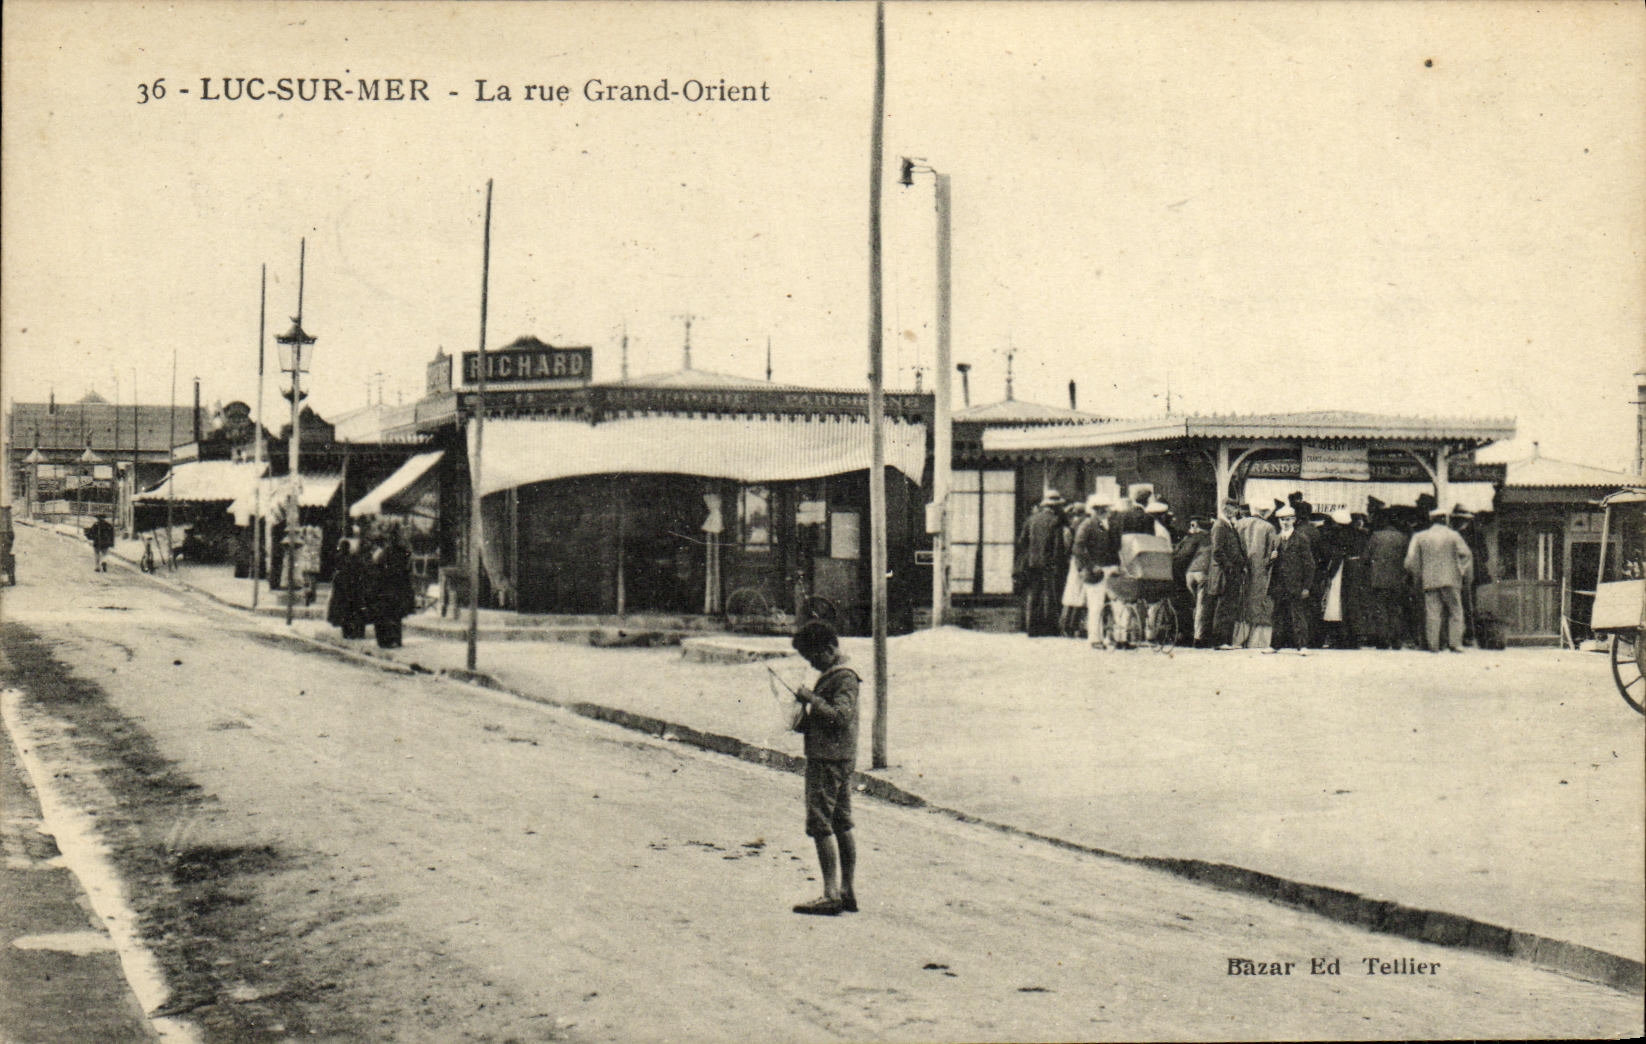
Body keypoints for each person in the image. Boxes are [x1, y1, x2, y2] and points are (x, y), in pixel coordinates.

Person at [789, 620, 860, 916]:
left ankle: (831, 894)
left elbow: (840, 716)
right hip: (840, 758)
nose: (812, 664)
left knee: (821, 823)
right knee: (842, 822)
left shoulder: (843, 677)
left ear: (830, 649)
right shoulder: (841, 674)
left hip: (826, 759)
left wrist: (811, 699)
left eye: (814, 656)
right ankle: (846, 891)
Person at [1405, 507, 1474, 652]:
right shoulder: (1454, 535)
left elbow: (1410, 560)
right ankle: (1455, 644)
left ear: (1431, 520)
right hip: (1451, 579)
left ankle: (1433, 645)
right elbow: (1466, 554)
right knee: (1455, 611)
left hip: (1429, 580)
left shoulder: (1420, 536)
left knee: (1432, 612)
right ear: (1446, 519)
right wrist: (1460, 571)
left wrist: (1419, 575)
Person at [1015, 490, 1069, 637]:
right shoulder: (1055, 521)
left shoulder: (1031, 520)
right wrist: (1058, 562)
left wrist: (1032, 552)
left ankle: (1032, 628)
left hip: (1033, 563)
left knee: (1034, 594)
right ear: (1055, 506)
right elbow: (1058, 545)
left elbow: (1022, 542)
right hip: (1050, 563)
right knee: (1051, 594)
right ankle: (1050, 628)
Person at [1074, 494, 1119, 648]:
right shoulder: (1087, 525)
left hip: (1109, 569)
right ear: (1100, 510)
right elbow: (1079, 549)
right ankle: (1094, 638)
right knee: (1096, 606)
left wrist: (1116, 564)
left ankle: (1113, 636)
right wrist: (1090, 566)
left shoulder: (1108, 525)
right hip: (1094, 572)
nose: (1109, 511)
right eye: (1107, 509)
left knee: (1114, 605)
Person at [1268, 506, 1315, 651]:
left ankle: (1303, 645)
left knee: (1298, 615)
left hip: (1295, 584)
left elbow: (1309, 564)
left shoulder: (1301, 538)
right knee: (1277, 615)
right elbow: (1268, 564)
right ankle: (1274, 645)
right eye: (1282, 520)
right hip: (1279, 584)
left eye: (1288, 519)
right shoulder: (1276, 538)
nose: (1285, 522)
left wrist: (1306, 586)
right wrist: (1271, 559)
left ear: (1294, 520)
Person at [1233, 504, 1277, 648]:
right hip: (1260, 571)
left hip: (1241, 569)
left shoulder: (1238, 524)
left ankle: (1237, 639)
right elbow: (1271, 553)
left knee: (1240, 604)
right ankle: (1255, 641)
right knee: (1259, 605)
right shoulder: (1269, 527)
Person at [1364, 509, 1410, 649]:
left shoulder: (1376, 536)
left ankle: (1383, 639)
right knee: (1395, 608)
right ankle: (1396, 639)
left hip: (1378, 579)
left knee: (1380, 609)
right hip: (1397, 579)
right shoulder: (1403, 537)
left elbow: (1366, 557)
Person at [1205, 500, 1246, 648]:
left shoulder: (1228, 525)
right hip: (1225, 574)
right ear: (1225, 509)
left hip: (1231, 572)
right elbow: (1217, 551)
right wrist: (1230, 567)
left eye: (1235, 508)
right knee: (1223, 606)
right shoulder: (1220, 526)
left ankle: (1226, 640)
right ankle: (1220, 640)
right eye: (1232, 508)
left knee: (1228, 606)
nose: (1235, 511)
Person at [368, 529, 417, 649]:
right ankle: (396, 639)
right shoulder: (404, 552)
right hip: (398, 588)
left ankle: (385, 641)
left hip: (385, 588)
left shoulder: (383, 553)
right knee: (396, 615)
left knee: (384, 615)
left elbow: (376, 569)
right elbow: (407, 569)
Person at [1175, 517, 1213, 646]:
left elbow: (1181, 554)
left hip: (1189, 573)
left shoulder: (1190, 538)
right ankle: (1198, 638)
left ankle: (1190, 634)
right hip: (1203, 572)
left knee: (1194, 605)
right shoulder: (1208, 537)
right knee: (1202, 606)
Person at [1058, 500, 1089, 638]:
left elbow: (1067, 546)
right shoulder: (1085, 523)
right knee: (1080, 595)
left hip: (1073, 561)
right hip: (1082, 561)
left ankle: (1066, 625)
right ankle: (1075, 626)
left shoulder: (1071, 526)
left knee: (1071, 594)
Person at [327, 538, 369, 639]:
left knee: (347, 611)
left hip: (347, 589)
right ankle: (352, 632)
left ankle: (349, 632)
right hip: (348, 590)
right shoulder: (352, 558)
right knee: (350, 611)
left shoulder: (348, 558)